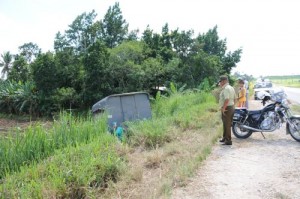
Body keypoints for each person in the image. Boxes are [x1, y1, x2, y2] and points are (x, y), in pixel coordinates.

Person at [219, 75, 236, 145]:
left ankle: (228, 141)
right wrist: (233, 106)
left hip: (227, 108)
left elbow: (226, 99)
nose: (219, 83)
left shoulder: (226, 88)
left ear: (224, 81)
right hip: (231, 107)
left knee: (227, 124)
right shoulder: (231, 87)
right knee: (225, 124)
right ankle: (224, 137)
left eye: (220, 81)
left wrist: (223, 108)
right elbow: (235, 98)